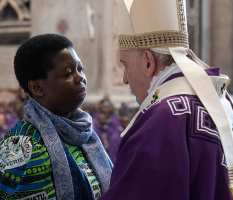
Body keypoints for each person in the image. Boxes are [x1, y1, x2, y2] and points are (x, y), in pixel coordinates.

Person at [99, 0, 233, 199]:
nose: (125, 78)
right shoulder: (220, 100)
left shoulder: (162, 121)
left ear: (148, 62)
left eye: (125, 64)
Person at [0, 34, 112, 200]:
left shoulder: (85, 136)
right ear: (37, 87)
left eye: (80, 69)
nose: (80, 77)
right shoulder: (20, 151)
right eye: (67, 74)